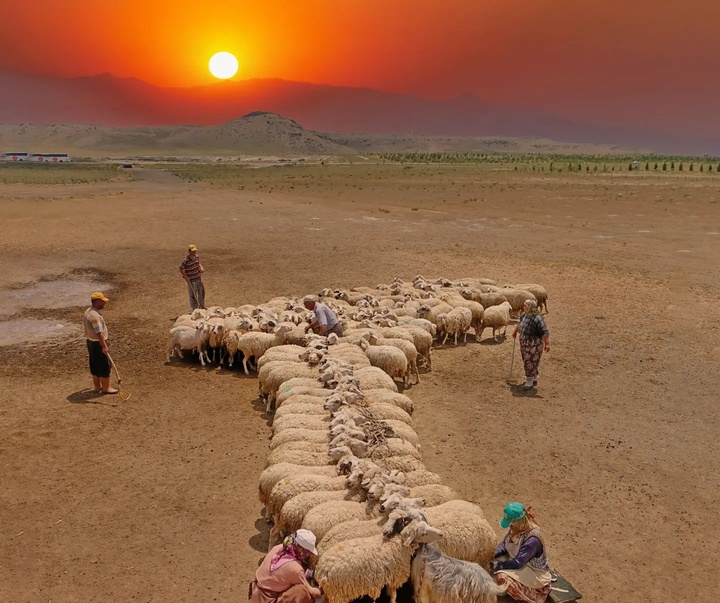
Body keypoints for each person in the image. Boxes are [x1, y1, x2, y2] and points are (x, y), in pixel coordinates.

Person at [491, 502, 552, 603]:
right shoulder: (517, 530)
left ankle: (529, 598)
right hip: (522, 564)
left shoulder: (532, 540)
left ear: (519, 522)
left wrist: (495, 565)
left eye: (511, 524)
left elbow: (517, 563)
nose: (509, 527)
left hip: (534, 572)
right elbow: (504, 544)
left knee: (502, 577)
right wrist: (493, 555)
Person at [249, 529, 322, 603]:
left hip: (256, 593)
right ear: (301, 549)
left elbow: (283, 571)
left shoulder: (278, 548)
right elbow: (314, 593)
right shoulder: (296, 570)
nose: (309, 555)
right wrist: (323, 589)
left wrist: (311, 574)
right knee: (302, 591)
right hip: (267, 599)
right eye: (308, 552)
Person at [83, 292, 118, 395]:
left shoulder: (88, 311)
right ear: (97, 302)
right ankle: (106, 388)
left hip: (90, 342)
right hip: (98, 343)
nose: (104, 303)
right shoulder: (95, 316)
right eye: (103, 301)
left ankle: (97, 386)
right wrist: (104, 346)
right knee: (104, 365)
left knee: (94, 364)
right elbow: (99, 333)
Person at [511, 299, 550, 389]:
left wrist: (547, 343)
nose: (523, 307)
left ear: (530, 307)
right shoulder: (524, 315)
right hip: (524, 342)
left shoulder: (537, 318)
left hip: (534, 344)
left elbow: (544, 331)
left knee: (530, 361)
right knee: (527, 359)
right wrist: (515, 332)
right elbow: (520, 323)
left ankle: (529, 381)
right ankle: (534, 377)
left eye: (525, 306)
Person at [179, 244, 205, 311]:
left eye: (195, 251)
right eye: (193, 251)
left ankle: (202, 306)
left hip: (198, 278)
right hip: (192, 280)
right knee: (193, 295)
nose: (194, 252)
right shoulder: (186, 260)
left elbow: (198, 263)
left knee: (201, 292)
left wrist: (201, 268)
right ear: (189, 251)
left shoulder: (196, 257)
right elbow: (181, 269)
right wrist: (186, 278)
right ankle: (195, 309)